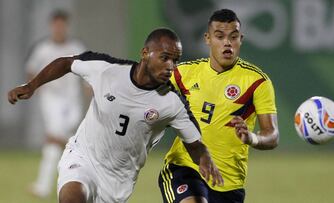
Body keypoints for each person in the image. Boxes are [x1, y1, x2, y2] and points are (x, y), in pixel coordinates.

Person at [8, 28, 223, 203]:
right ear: (145, 53)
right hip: (83, 156)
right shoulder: (106, 69)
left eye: (175, 61)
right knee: (72, 197)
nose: (170, 67)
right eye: (165, 58)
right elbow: (66, 63)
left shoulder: (172, 103)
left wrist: (205, 161)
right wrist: (31, 85)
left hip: (118, 180)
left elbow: (195, 144)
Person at [158, 9, 279, 203]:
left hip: (230, 185)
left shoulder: (257, 82)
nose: (227, 43)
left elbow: (272, 136)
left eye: (233, 37)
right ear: (207, 38)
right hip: (184, 168)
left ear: (241, 39)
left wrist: (253, 138)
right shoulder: (184, 74)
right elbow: (146, 88)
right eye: (219, 36)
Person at [25, 10, 86, 198]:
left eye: (62, 25)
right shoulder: (42, 48)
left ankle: (60, 182)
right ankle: (45, 187)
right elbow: (31, 70)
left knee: (62, 141)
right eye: (56, 25)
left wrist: (89, 88)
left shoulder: (77, 47)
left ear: (66, 26)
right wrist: (36, 87)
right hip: (51, 100)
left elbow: (87, 73)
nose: (59, 28)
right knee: (56, 138)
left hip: (72, 101)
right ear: (51, 26)